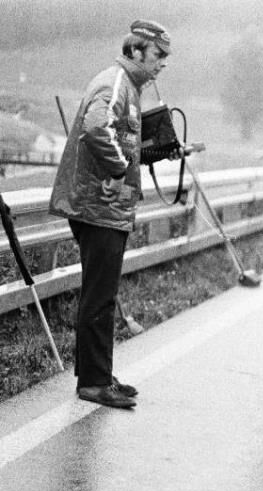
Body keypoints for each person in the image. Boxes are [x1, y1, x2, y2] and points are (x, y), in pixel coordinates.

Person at [48, 20, 173, 409]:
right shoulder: (116, 82)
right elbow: (96, 128)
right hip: (98, 205)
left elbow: (118, 137)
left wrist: (154, 153)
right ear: (135, 51)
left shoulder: (127, 86)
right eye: (158, 54)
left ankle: (97, 374)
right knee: (100, 296)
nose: (163, 63)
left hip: (104, 206)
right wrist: (119, 169)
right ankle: (94, 383)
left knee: (101, 294)